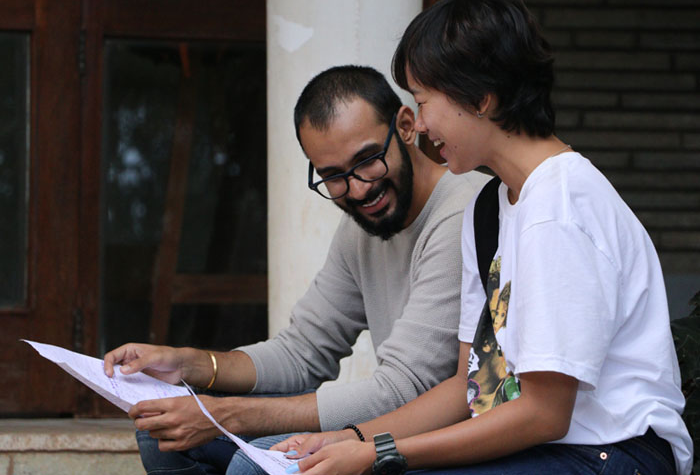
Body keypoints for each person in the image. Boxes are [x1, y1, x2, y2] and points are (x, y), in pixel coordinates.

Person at [271, 0, 693, 475]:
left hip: (611, 453)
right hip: (543, 450)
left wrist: (379, 453)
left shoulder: (561, 201)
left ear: (481, 98)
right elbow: (471, 386)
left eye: (424, 102)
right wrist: (349, 439)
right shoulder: (489, 209)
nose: (421, 127)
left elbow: (545, 414)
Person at [103, 65, 491, 475]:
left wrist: (228, 415)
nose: (358, 189)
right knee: (162, 434)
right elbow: (302, 352)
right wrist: (189, 363)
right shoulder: (362, 230)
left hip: (434, 438)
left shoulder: (462, 213)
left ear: (407, 126)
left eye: (368, 160)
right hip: (386, 427)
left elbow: (402, 390)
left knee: (266, 461)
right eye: (334, 176)